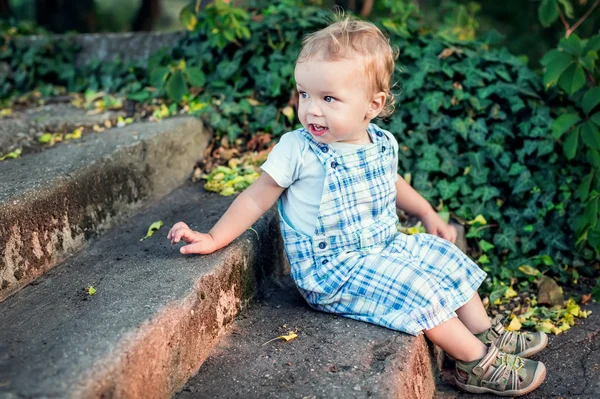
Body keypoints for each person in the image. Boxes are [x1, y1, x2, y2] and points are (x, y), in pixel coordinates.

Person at [167, 17, 548, 396]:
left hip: (381, 247)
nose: (312, 110)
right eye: (305, 94)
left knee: (442, 256)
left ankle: (482, 332)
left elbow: (393, 183)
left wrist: (428, 213)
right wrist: (215, 237)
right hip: (334, 270)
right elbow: (257, 194)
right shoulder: (298, 149)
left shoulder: (381, 142)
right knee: (417, 289)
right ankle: (474, 362)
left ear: (373, 105)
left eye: (328, 98)